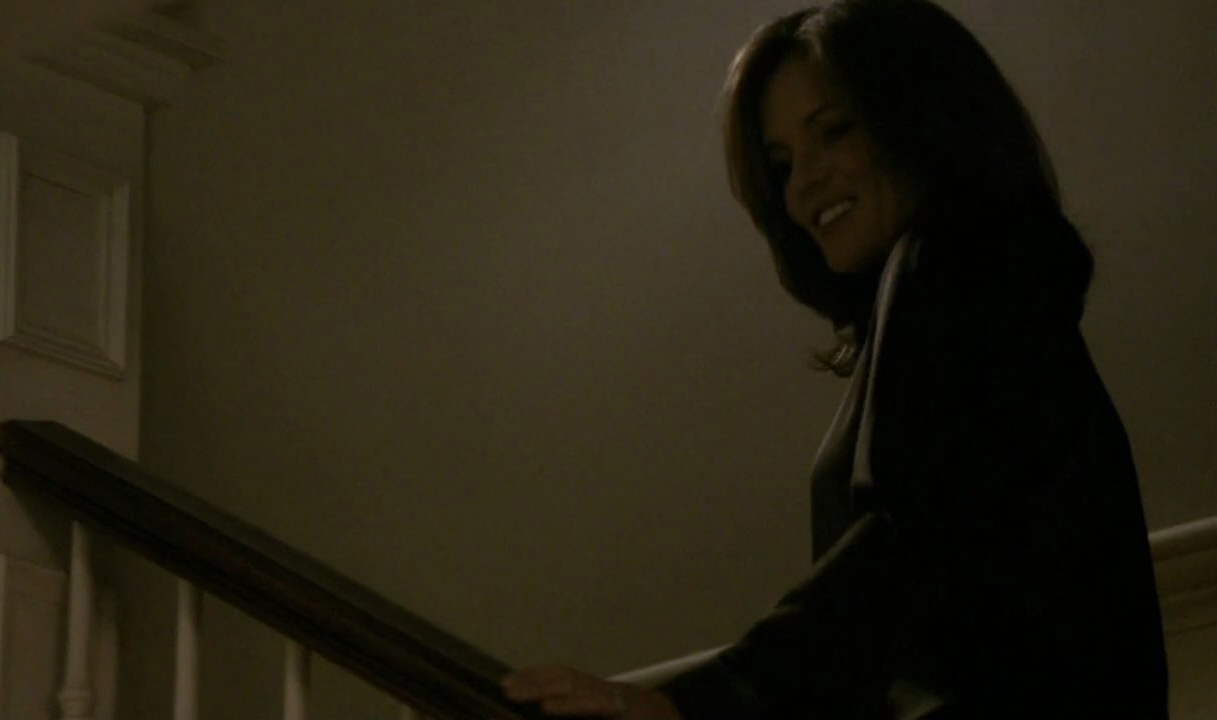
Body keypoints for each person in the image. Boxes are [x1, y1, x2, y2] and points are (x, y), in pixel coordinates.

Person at [501, 0, 1171, 717]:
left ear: (923, 116)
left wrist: (687, 704)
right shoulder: (985, 297)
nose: (802, 183)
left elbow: (910, 546)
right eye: (781, 162)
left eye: (834, 131)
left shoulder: (955, 257)